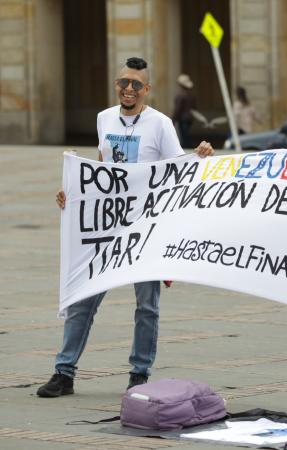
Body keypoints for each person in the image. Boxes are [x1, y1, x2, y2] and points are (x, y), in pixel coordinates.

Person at [37, 57, 215, 397]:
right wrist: (73, 193)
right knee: (83, 298)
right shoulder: (104, 118)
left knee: (147, 305)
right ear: (116, 86)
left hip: (146, 227)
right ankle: (64, 372)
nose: (128, 89)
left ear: (146, 89)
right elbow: (102, 169)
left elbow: (179, 170)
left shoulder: (160, 124)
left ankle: (139, 374)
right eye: (123, 82)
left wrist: (201, 155)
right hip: (107, 226)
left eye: (136, 84)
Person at [172, 73, 196, 148]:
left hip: (183, 118)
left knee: (184, 135)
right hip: (190, 118)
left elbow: (178, 108)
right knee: (186, 134)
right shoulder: (191, 95)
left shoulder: (180, 95)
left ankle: (187, 147)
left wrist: (173, 118)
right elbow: (194, 107)